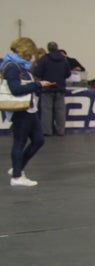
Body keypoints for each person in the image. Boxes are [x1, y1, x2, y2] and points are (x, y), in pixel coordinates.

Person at [2, 38, 55, 187]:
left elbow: (24, 87)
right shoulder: (12, 66)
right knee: (19, 142)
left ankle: (17, 168)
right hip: (20, 110)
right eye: (29, 54)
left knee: (38, 140)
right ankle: (17, 176)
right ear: (23, 51)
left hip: (29, 109)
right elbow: (16, 89)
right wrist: (37, 84)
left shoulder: (20, 66)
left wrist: (39, 86)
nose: (31, 58)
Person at [33, 41, 71, 136]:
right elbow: (68, 73)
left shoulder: (44, 59)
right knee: (60, 111)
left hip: (47, 88)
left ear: (48, 49)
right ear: (57, 48)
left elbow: (37, 72)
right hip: (60, 88)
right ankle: (60, 131)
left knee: (46, 111)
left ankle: (47, 131)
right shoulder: (63, 59)